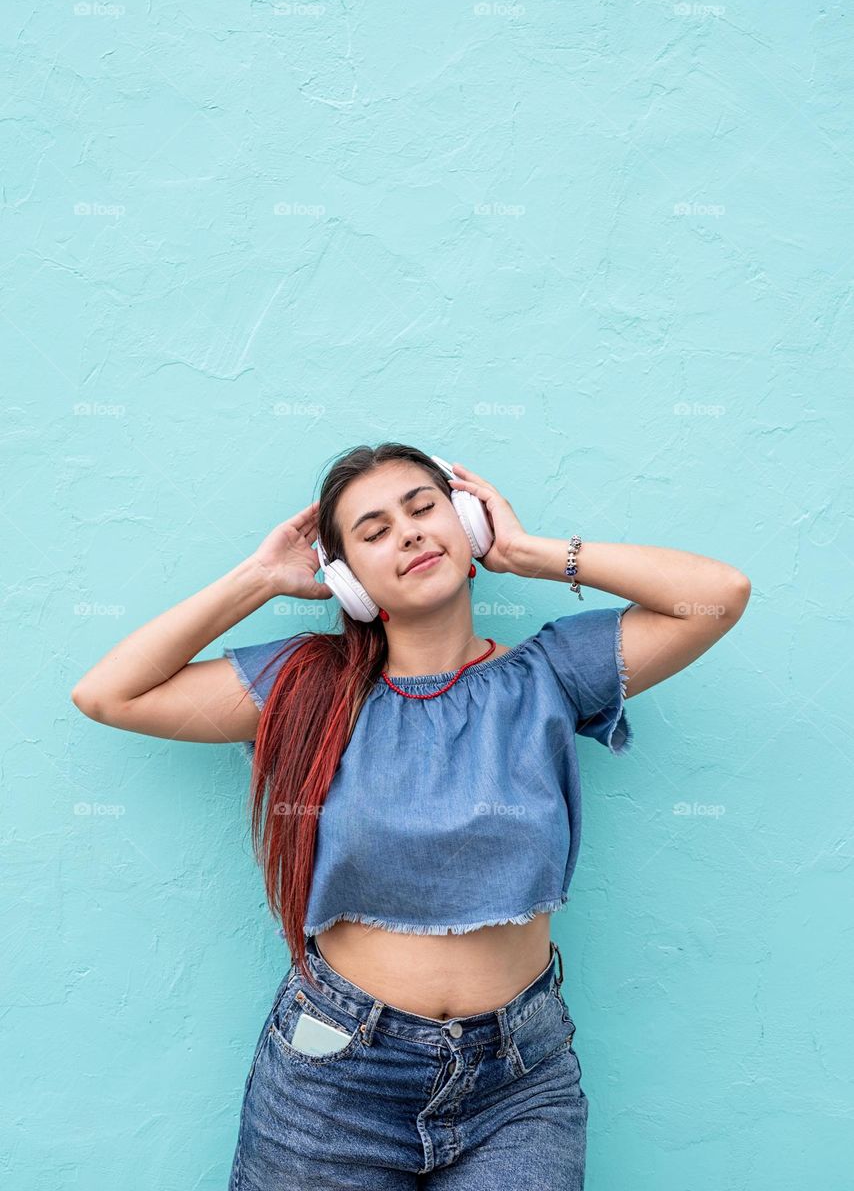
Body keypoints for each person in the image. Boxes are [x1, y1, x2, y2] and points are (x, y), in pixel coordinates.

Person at [71, 441, 751, 1188]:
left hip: (521, 1084)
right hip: (336, 1075)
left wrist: (530, 552)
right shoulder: (307, 688)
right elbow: (110, 694)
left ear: (468, 524)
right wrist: (260, 579)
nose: (409, 532)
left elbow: (719, 594)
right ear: (347, 580)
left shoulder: (551, 674)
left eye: (425, 508)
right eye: (374, 531)